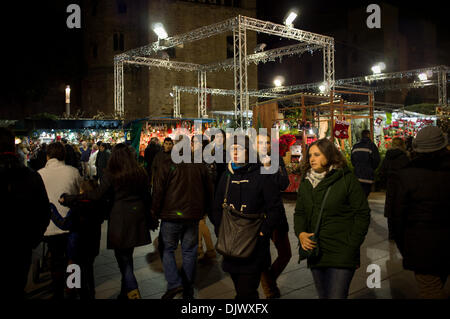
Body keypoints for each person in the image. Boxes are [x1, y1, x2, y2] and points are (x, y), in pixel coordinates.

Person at [61, 143, 153, 299]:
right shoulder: (140, 172)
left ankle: (133, 290)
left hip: (119, 218)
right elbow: (147, 197)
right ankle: (126, 292)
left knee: (124, 260)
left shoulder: (112, 173)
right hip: (137, 218)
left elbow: (97, 195)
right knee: (127, 256)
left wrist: (72, 199)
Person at [294, 138, 370, 299]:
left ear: (329, 155)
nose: (312, 159)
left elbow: (362, 214)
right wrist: (300, 233)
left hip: (342, 251)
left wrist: (352, 244)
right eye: (310, 155)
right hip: (316, 251)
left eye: (317, 154)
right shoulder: (306, 181)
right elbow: (300, 212)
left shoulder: (346, 179)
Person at [212, 134, 283, 300]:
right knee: (240, 291)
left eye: (239, 148)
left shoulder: (262, 174)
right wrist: (219, 229)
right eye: (232, 148)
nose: (235, 152)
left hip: (254, 247)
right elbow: (215, 207)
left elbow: (275, 208)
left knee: (246, 293)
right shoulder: (226, 176)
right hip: (230, 247)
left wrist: (262, 233)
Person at [390, 126, 450, 299]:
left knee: (430, 290)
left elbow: (397, 217)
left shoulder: (406, 176)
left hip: (421, 246)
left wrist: (405, 247)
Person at [152, 135, 213, 299]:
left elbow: (158, 191)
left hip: (171, 216)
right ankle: (188, 287)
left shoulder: (166, 164)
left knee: (167, 248)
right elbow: (209, 190)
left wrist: (154, 212)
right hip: (192, 216)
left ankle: (174, 284)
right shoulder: (199, 166)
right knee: (189, 251)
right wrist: (204, 210)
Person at [0, 128, 50, 298]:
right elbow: (44, 211)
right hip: (21, 244)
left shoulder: (31, 175)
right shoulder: (31, 176)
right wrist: (32, 239)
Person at [38, 142, 82, 299]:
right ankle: (73, 288)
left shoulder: (40, 174)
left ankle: (57, 292)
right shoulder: (73, 172)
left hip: (50, 226)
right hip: (71, 223)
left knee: (56, 259)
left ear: (47, 156)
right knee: (74, 258)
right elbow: (79, 193)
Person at [51, 180, 106, 299]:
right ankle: (89, 295)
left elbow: (64, 224)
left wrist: (52, 211)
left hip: (76, 249)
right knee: (88, 273)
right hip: (92, 248)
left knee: (74, 274)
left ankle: (74, 295)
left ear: (82, 192)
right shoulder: (98, 207)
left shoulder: (77, 208)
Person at [256, 133, 291, 299]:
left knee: (285, 253)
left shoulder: (276, 159)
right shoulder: (251, 163)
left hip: (276, 214)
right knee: (263, 256)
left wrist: (272, 168)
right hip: (258, 217)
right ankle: (270, 291)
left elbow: (284, 184)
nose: (264, 145)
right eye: (260, 142)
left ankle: (269, 281)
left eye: (267, 142)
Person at [191, 134, 217, 261]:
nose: (193, 145)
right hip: (199, 194)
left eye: (195, 143)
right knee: (200, 222)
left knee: (199, 222)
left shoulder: (204, 158)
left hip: (201, 194)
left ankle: (210, 249)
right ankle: (199, 248)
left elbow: (210, 177)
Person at [378, 137, 410, 240]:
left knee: (390, 208)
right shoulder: (405, 157)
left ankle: (391, 234)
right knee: (401, 207)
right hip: (402, 185)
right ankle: (401, 232)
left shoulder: (388, 157)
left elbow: (382, 171)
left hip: (391, 185)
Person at [351, 129, 380, 197]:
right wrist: (372, 168)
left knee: (359, 194)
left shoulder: (356, 146)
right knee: (365, 193)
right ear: (369, 135)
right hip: (368, 175)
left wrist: (357, 167)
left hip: (357, 174)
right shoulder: (372, 146)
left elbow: (352, 160)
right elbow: (377, 160)